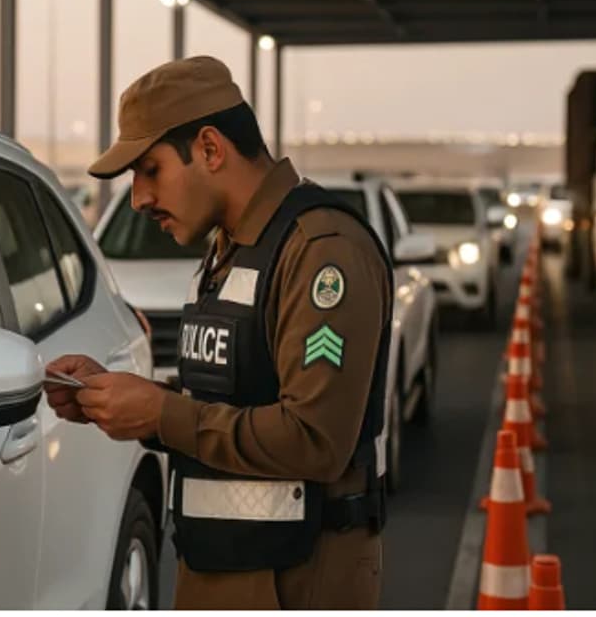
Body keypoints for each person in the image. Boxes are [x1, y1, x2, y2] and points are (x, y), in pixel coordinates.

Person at [45, 55, 394, 609]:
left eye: (149, 170)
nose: (137, 199)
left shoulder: (322, 251)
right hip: (220, 568)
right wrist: (123, 400)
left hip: (294, 582)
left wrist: (161, 414)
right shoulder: (227, 252)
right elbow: (229, 401)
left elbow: (316, 439)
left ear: (209, 149)